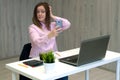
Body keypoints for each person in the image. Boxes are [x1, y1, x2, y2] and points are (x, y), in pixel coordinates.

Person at [28, 2, 71, 80]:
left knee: (63, 76)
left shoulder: (53, 25)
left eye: (43, 11)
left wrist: (52, 15)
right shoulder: (33, 28)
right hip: (38, 59)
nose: (40, 14)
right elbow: (36, 41)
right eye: (38, 12)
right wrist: (49, 35)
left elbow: (67, 24)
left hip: (52, 57)